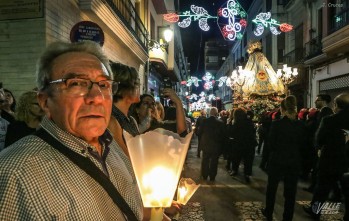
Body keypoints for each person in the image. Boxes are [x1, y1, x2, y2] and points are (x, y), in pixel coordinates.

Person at [0, 41, 143, 220]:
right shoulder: (15, 174)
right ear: (45, 101)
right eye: (76, 84)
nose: (97, 97)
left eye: (104, 85)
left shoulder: (110, 144)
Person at [303, 93, 349, 221]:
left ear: (336, 105)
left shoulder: (329, 120)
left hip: (330, 160)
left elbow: (319, 139)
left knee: (322, 190)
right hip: (347, 161)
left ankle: (315, 211)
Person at [261, 95, 307, 221]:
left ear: (282, 109)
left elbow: (271, 144)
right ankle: (287, 217)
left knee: (272, 189)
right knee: (290, 193)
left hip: (277, 160)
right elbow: (304, 145)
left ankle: (269, 212)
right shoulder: (301, 125)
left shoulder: (277, 125)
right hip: (293, 162)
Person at [108, 62, 141, 158]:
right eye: (136, 83)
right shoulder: (112, 121)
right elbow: (127, 159)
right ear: (123, 89)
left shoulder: (131, 120)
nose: (139, 88)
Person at [228, 108, 257, 183]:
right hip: (249, 144)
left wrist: (229, 124)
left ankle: (235, 170)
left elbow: (232, 133)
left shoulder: (236, 122)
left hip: (238, 143)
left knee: (236, 158)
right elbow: (252, 131)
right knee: (248, 160)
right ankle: (247, 174)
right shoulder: (249, 121)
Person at [197, 107, 225, 182]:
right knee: (214, 161)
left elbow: (199, 132)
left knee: (205, 159)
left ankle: (205, 175)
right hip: (216, 145)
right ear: (216, 113)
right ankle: (212, 176)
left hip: (206, 144)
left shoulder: (204, 121)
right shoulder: (220, 122)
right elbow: (223, 135)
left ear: (210, 113)